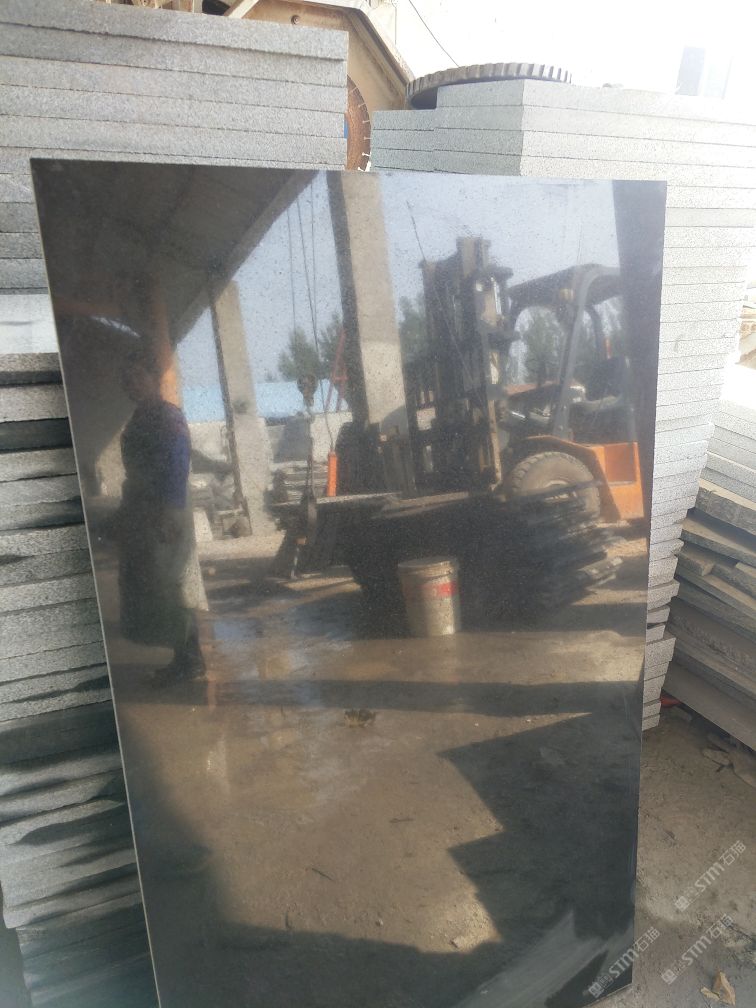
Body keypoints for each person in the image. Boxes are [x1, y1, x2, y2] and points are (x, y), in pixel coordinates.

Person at [117, 343, 205, 686]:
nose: (132, 384)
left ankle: (191, 660)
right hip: (145, 510)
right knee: (158, 586)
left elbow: (177, 464)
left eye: (138, 376)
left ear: (154, 378)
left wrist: (168, 512)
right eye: (126, 378)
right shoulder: (140, 418)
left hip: (168, 511)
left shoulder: (167, 416)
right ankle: (182, 657)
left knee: (175, 585)